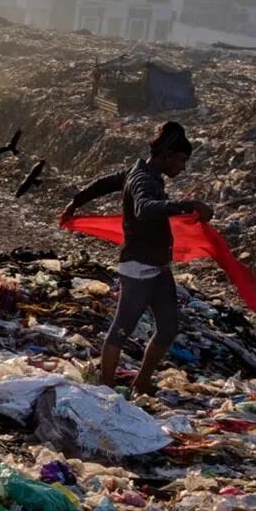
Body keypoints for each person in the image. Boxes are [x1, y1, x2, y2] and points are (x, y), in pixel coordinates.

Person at [60, 121, 212, 395]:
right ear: (166, 156)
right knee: (122, 329)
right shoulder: (143, 179)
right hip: (138, 266)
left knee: (167, 329)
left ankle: (141, 382)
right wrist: (187, 206)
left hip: (159, 266)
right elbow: (144, 209)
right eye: (181, 160)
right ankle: (106, 390)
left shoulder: (140, 172)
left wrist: (77, 200)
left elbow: (106, 183)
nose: (183, 167)